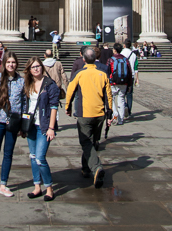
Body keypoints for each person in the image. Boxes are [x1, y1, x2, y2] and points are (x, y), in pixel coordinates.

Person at [65, 47, 113, 187]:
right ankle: (85, 169)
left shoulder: (80, 74)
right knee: (92, 142)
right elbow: (109, 95)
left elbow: (70, 91)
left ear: (83, 59)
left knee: (86, 142)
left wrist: (68, 107)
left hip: (85, 114)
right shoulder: (102, 74)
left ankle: (96, 168)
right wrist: (109, 112)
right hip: (100, 114)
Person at [0, 52, 26, 197]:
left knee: (8, 154)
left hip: (13, 122)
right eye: (8, 62)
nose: (11, 65)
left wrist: (22, 125)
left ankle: (3, 184)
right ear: (4, 63)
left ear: (16, 64)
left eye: (13, 62)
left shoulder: (21, 81)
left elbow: (24, 103)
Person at [24, 57, 60, 201]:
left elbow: (54, 107)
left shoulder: (50, 84)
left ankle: (49, 188)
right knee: (33, 157)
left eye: (38, 66)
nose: (36, 69)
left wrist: (51, 127)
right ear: (29, 70)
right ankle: (37, 187)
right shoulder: (28, 84)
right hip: (30, 125)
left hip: (44, 125)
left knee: (40, 158)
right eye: (33, 67)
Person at [106, 43, 133, 126]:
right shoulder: (125, 59)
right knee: (121, 99)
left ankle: (115, 113)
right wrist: (129, 84)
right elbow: (129, 72)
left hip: (113, 82)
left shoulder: (111, 59)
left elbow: (107, 71)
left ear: (114, 50)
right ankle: (121, 120)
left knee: (112, 98)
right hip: (124, 82)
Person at [121, 40, 138, 119]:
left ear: (124, 45)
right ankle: (129, 111)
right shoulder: (133, 54)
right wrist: (137, 79)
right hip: (131, 76)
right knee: (129, 94)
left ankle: (124, 106)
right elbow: (136, 67)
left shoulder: (121, 54)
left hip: (123, 76)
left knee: (122, 93)